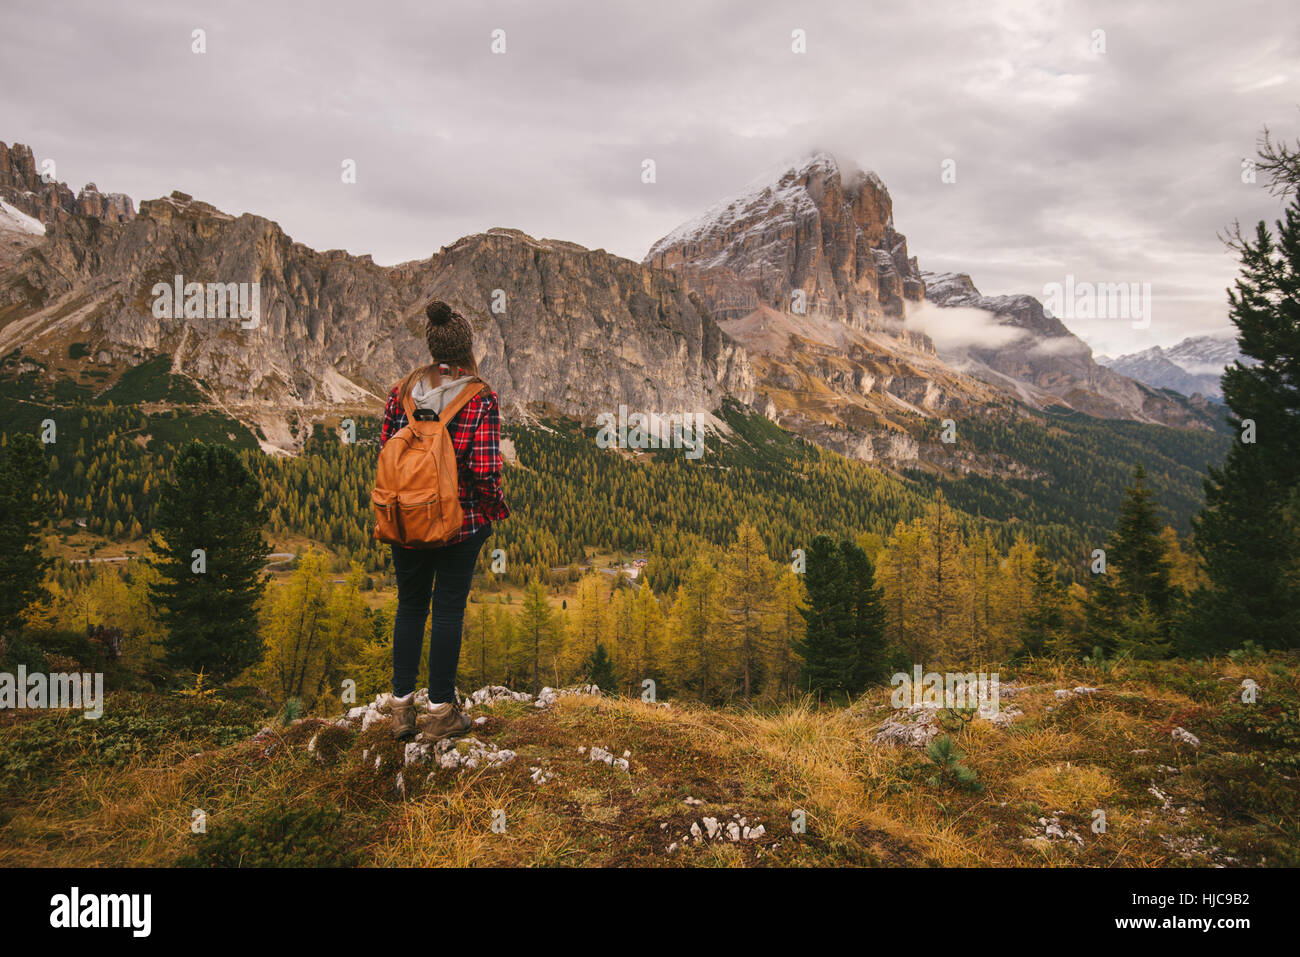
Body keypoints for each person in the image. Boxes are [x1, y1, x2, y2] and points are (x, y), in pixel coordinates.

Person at [379, 299, 509, 741]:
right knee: (448, 610)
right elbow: (486, 469)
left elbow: (387, 452)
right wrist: (493, 509)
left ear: (431, 345)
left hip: (406, 521)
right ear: (467, 346)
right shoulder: (480, 397)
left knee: (410, 606)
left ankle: (400, 709)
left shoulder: (403, 391)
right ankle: (439, 712)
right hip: (461, 524)